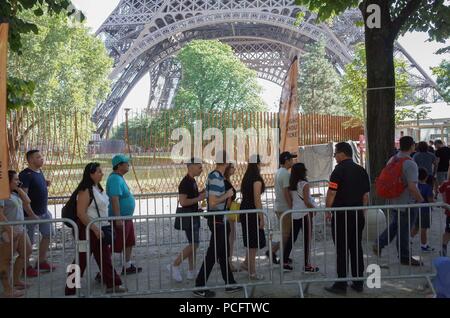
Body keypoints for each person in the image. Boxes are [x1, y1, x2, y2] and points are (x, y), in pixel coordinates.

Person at [65, 163, 126, 295]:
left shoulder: (97, 188)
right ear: (91, 174)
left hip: (100, 228)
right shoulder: (85, 191)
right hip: (87, 230)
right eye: (99, 171)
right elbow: (81, 213)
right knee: (80, 259)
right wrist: (94, 228)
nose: (102, 173)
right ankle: (70, 288)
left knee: (104, 258)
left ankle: (112, 284)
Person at [193, 151, 242, 298]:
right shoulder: (215, 177)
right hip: (217, 219)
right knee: (213, 253)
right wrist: (227, 195)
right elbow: (213, 202)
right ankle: (199, 286)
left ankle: (229, 283)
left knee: (222, 252)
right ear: (226, 163)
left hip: (220, 219)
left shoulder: (217, 176)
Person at [324, 142, 370, 295]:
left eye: (335, 154)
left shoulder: (338, 171)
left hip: (342, 216)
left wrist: (327, 210)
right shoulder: (362, 170)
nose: (335, 156)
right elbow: (365, 196)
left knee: (342, 249)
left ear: (342, 154)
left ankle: (341, 284)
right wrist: (362, 213)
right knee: (356, 247)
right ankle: (358, 282)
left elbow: (331, 193)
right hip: (357, 215)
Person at [373, 136, 424, 266]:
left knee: (395, 226)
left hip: (394, 200)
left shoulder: (393, 159)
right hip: (407, 202)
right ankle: (405, 257)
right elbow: (412, 187)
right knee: (404, 230)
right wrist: (421, 200)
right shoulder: (410, 163)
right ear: (412, 146)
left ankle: (380, 243)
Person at [168, 158, 205, 282]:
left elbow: (192, 198)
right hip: (189, 217)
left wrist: (200, 196)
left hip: (193, 215)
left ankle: (191, 270)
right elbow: (183, 202)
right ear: (191, 167)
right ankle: (175, 265)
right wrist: (199, 198)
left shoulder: (192, 181)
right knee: (194, 244)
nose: (201, 169)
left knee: (193, 244)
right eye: (199, 167)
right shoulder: (185, 183)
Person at [19, 150, 54, 276]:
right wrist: (32, 214)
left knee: (48, 234)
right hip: (30, 215)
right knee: (28, 242)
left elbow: (36, 186)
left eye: (41, 156)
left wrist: (45, 184)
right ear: (30, 160)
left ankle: (41, 261)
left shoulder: (39, 172)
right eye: (38, 157)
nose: (42, 158)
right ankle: (25, 266)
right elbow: (23, 196)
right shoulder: (25, 175)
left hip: (44, 211)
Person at [0, 171, 35, 297]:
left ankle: (16, 280)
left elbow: (27, 200)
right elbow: (0, 214)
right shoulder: (2, 195)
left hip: (20, 229)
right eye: (15, 180)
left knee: (27, 252)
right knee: (6, 260)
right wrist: (9, 229)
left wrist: (18, 188)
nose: (18, 181)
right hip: (7, 231)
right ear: (7, 181)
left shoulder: (14, 193)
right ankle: (8, 290)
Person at [106, 154, 142, 274]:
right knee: (115, 244)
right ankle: (104, 270)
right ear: (119, 165)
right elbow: (114, 199)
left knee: (129, 241)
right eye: (126, 163)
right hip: (120, 218)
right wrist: (118, 218)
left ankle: (127, 266)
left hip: (126, 218)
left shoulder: (119, 177)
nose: (128, 165)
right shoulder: (115, 179)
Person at [283, 163, 319, 273]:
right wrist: (314, 209)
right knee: (307, 239)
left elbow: (290, 200)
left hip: (295, 212)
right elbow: (307, 201)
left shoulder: (291, 185)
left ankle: (284, 261)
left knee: (291, 238)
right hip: (305, 214)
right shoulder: (304, 184)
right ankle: (307, 265)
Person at [267, 151, 297, 265]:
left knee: (280, 232)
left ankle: (279, 254)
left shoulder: (279, 171)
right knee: (286, 234)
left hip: (279, 206)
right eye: (291, 159)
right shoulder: (285, 174)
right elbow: (286, 192)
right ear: (287, 160)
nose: (292, 161)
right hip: (284, 208)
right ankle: (274, 253)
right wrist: (291, 207)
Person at [239, 155, 266, 280]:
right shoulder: (256, 179)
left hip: (245, 210)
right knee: (253, 243)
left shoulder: (246, 178)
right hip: (251, 213)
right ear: (258, 164)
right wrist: (261, 216)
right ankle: (252, 271)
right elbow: (257, 200)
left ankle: (246, 264)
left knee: (250, 241)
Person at [410, 168, 435, 252]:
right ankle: (424, 245)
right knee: (423, 229)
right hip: (425, 211)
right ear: (426, 177)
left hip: (416, 210)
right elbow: (430, 200)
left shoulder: (416, 186)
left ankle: (409, 239)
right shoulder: (428, 187)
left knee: (416, 226)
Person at [223, 162, 238, 272]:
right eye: (232, 167)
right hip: (228, 213)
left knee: (229, 238)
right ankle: (229, 262)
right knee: (230, 238)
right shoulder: (225, 183)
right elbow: (227, 202)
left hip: (227, 212)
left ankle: (226, 261)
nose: (234, 169)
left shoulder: (226, 181)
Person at [438, 176, 450, 257]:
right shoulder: (446, 183)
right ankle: (444, 249)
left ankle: (444, 249)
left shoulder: (446, 183)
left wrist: (444, 201)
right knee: (448, 231)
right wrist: (444, 202)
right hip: (449, 213)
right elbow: (440, 190)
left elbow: (440, 190)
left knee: (448, 231)